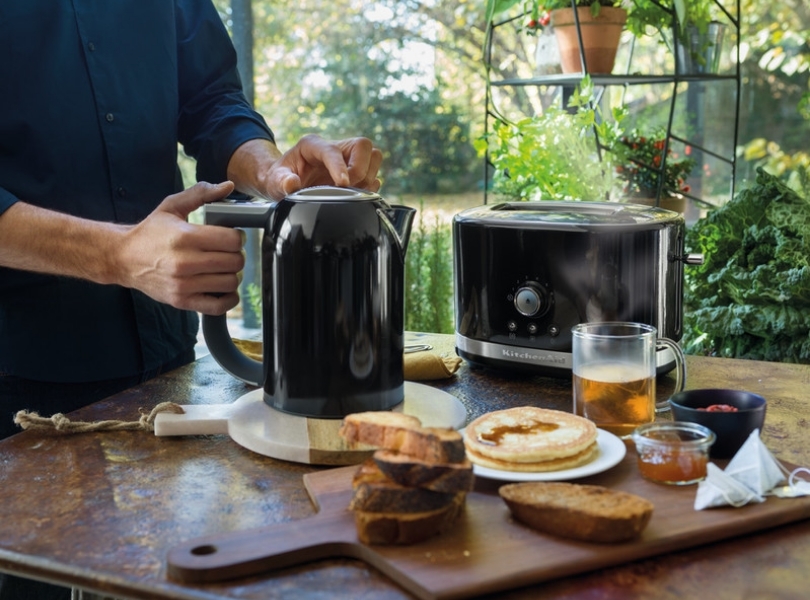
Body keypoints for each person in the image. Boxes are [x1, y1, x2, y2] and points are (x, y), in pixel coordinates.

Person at [0, 2, 381, 598]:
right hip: (17, 389)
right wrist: (117, 254)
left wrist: (273, 170)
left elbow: (210, 101)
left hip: (167, 364)